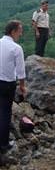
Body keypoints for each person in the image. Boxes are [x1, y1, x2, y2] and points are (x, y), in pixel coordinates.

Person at [0, 20, 26, 152]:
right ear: (13, 31)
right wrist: (22, 86)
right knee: (5, 112)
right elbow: (21, 71)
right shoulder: (16, 48)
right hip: (7, 84)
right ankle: (3, 144)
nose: (20, 34)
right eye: (20, 31)